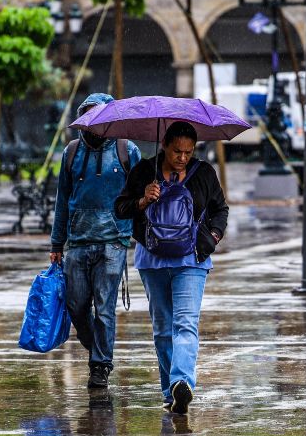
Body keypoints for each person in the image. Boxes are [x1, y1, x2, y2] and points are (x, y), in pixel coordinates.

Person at [114, 121, 229, 414]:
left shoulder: (202, 173)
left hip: (191, 260)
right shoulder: (143, 171)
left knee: (185, 324)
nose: (182, 157)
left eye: (188, 152)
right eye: (177, 151)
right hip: (152, 260)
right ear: (164, 145)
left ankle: (182, 383)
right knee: (163, 329)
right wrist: (143, 199)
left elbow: (220, 209)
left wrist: (212, 237)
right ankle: (171, 394)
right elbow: (120, 208)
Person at [50, 93, 142, 388]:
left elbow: (139, 197)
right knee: (76, 306)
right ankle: (97, 347)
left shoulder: (127, 151)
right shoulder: (72, 152)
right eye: (88, 116)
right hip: (77, 243)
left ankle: (101, 365)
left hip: (113, 243)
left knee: (104, 307)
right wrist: (56, 243)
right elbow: (62, 200)